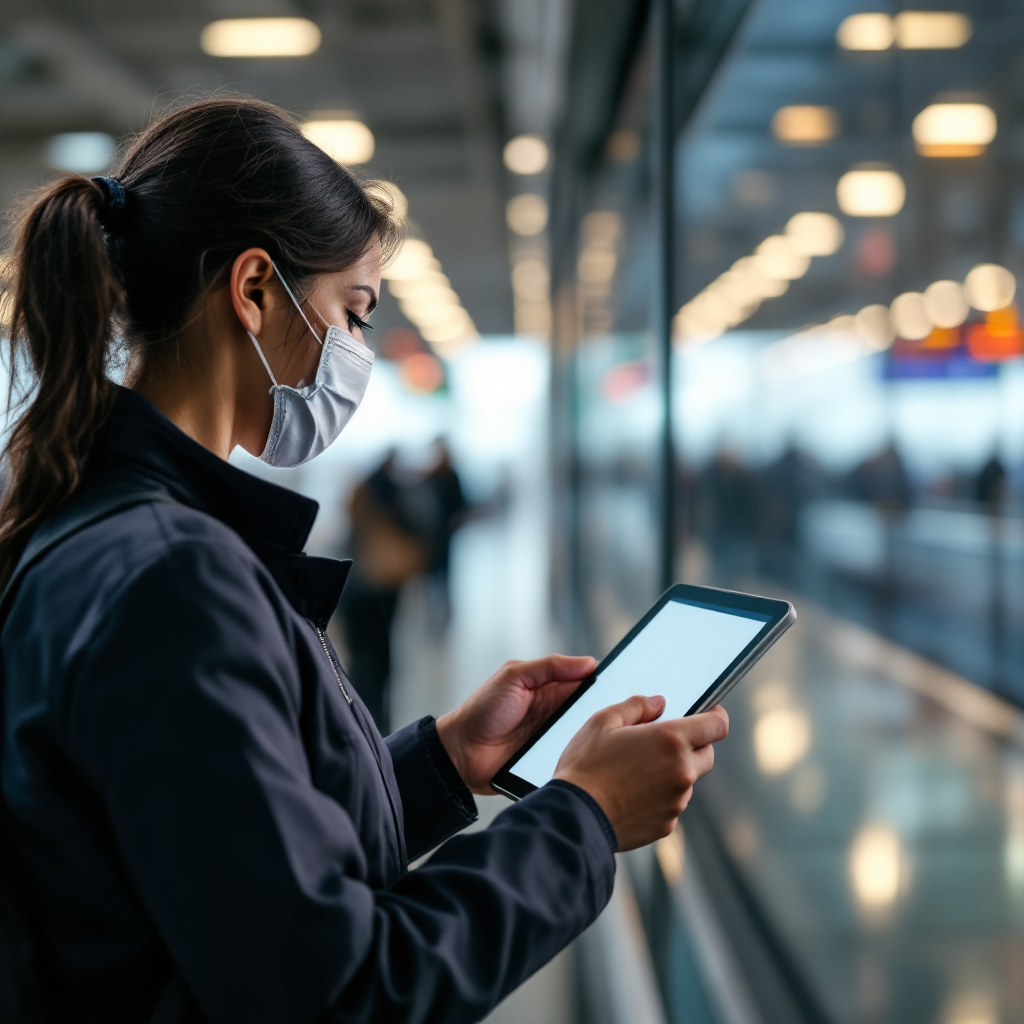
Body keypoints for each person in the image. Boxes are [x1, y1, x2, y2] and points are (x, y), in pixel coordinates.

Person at [0, 97, 729, 1024]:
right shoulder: (170, 578)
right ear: (255, 289)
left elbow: (226, 866)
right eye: (354, 312)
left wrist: (441, 763)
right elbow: (336, 993)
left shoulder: (95, 530)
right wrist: (583, 819)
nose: (357, 352)